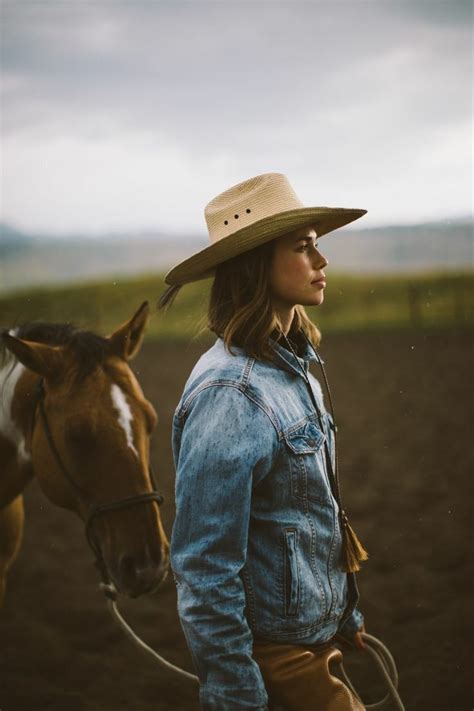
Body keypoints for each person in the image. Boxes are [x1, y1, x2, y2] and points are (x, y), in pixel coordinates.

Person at [160, 173, 369, 710]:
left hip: (314, 643)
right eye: (303, 248)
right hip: (274, 659)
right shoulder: (231, 393)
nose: (321, 262)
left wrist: (344, 616)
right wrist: (237, 693)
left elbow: (308, 515)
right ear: (255, 264)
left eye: (318, 246)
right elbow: (206, 569)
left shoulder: (292, 369)